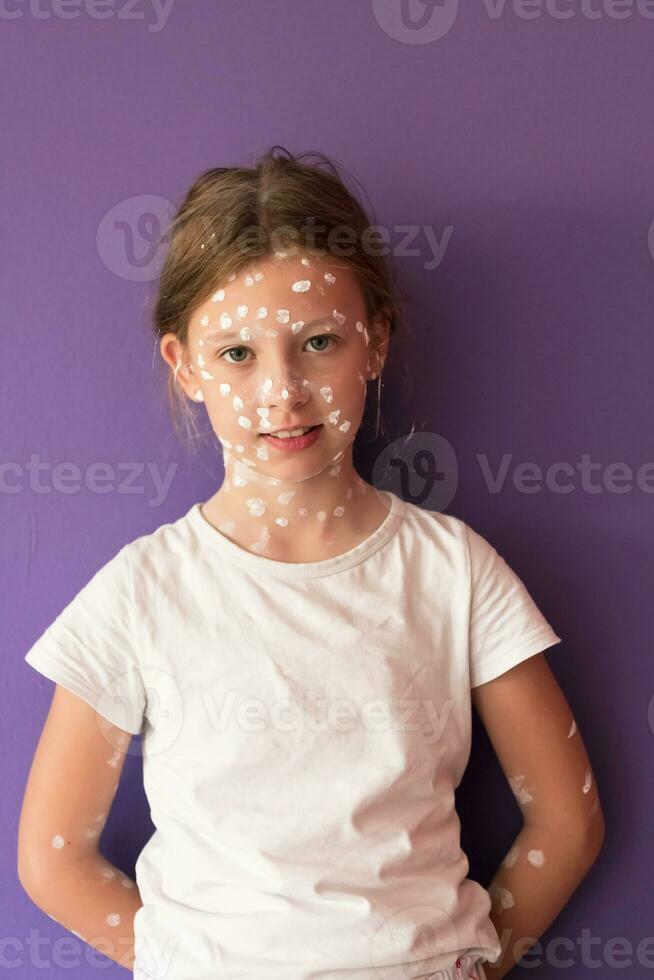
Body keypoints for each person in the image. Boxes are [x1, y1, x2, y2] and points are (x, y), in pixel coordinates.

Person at [18, 147, 605, 980]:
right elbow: (52, 860)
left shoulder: (454, 573)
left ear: (375, 344)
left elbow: (568, 823)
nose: (282, 392)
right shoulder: (141, 594)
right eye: (236, 355)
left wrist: (478, 962)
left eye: (319, 342)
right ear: (185, 366)